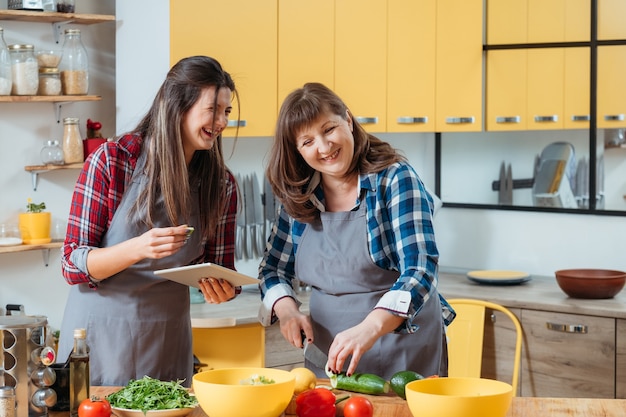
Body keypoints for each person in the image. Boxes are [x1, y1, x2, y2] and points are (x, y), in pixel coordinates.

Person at [58, 56, 241, 386]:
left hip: (168, 338)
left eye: (226, 112)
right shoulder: (113, 161)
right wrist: (139, 247)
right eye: (213, 110)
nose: (222, 121)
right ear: (176, 107)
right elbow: (72, 264)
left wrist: (223, 288)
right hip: (101, 339)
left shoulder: (221, 184)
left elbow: (217, 266)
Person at [258, 82, 455, 380]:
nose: (324, 148)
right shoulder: (299, 196)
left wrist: (370, 326)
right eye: (307, 141)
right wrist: (286, 310)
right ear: (297, 151)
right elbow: (272, 269)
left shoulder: (395, 179)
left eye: (328, 130)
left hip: (402, 347)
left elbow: (420, 269)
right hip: (330, 353)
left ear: (348, 121)